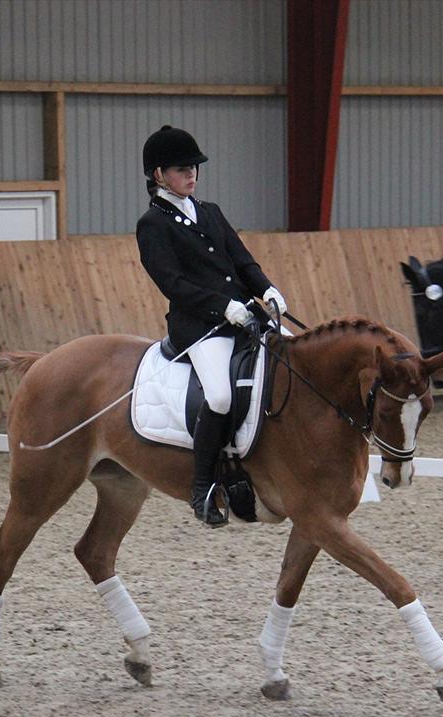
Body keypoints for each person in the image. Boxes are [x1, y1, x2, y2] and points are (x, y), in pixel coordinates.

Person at [135, 125, 288, 527]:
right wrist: (223, 307)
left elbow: (242, 259)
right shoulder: (153, 225)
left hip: (243, 317)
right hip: (200, 327)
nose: (192, 175)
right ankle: (202, 488)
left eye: (195, 168)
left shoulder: (211, 211)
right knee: (219, 396)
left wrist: (267, 289)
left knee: (295, 362)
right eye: (183, 169)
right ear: (158, 175)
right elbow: (173, 283)